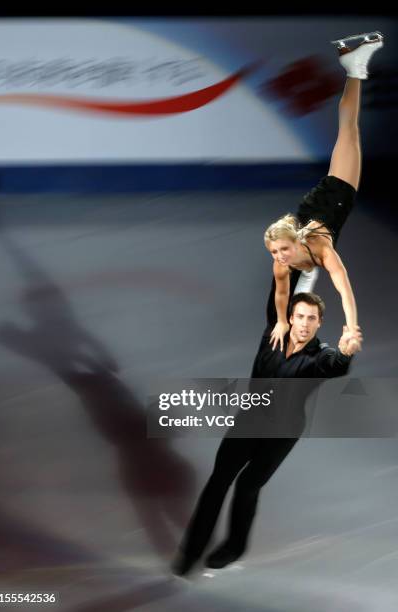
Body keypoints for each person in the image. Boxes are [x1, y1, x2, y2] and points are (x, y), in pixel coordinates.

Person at [171, 291, 361, 576]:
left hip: (282, 434)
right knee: (218, 482)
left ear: (320, 322)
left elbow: (334, 365)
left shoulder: (321, 356)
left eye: (311, 318)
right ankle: (191, 551)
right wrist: (309, 248)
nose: (304, 324)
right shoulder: (274, 332)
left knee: (248, 486)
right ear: (289, 317)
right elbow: (281, 285)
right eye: (299, 316)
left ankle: (234, 547)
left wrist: (345, 354)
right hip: (248, 421)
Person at [266, 31, 383, 352]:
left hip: (336, 194)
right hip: (313, 206)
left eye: (281, 251)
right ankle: (353, 65)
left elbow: (345, 290)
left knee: (350, 130)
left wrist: (351, 329)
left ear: (294, 243)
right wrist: (280, 321)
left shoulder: (322, 249)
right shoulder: (281, 260)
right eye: (275, 253)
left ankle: (354, 68)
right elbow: (279, 294)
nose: (277, 258)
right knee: (349, 131)